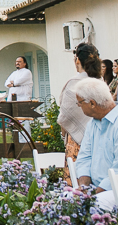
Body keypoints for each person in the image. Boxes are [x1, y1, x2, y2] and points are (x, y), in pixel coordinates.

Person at [57, 43, 102, 181]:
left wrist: (63, 134)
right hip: (98, 137)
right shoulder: (100, 82)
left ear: (77, 60)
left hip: (76, 142)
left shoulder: (74, 82)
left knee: (76, 182)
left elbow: (65, 114)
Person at [74, 78, 118, 210]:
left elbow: (117, 171)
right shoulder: (92, 124)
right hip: (96, 189)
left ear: (92, 103)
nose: (79, 106)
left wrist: (93, 194)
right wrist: (83, 188)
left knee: (96, 205)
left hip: (113, 188)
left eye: (79, 103)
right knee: (64, 200)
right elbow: (84, 158)